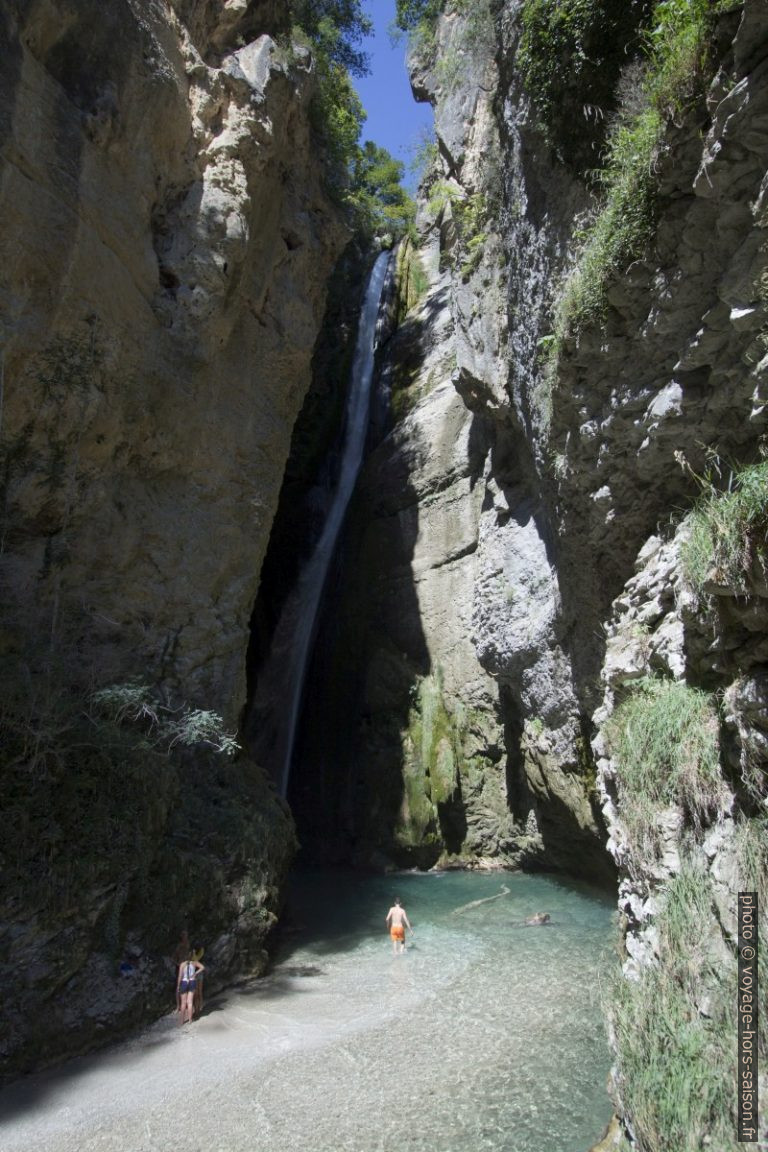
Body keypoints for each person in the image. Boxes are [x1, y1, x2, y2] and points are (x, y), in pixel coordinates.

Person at [176, 951, 204, 1025]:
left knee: (183, 1003)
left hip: (184, 982)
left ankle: (181, 1022)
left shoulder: (182, 964)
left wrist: (178, 986)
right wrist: (195, 973)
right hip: (192, 982)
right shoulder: (194, 963)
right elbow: (202, 967)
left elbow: (180, 976)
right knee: (190, 1002)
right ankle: (190, 1020)